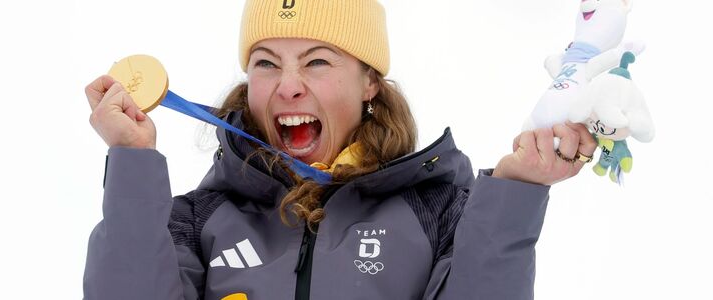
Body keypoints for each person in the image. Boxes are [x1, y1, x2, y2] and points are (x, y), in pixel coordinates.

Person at [82, 0, 597, 299]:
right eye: (265, 62)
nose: (288, 86)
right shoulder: (195, 221)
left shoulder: (443, 212)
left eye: (318, 62)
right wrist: (131, 162)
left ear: (369, 82)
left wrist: (516, 192)